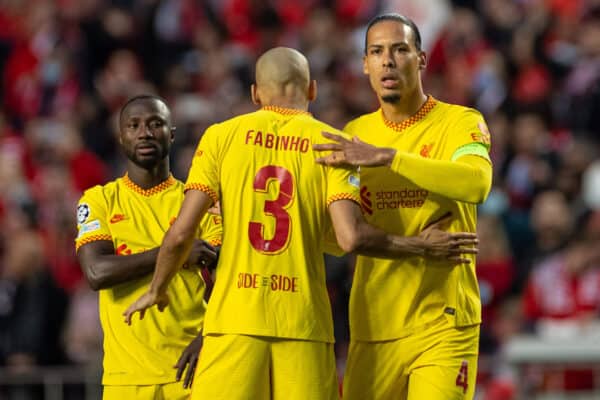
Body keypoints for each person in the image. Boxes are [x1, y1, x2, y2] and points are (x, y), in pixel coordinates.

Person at [122, 47, 478, 400]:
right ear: (312, 91)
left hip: (233, 323)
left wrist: (158, 287)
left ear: (255, 93)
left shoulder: (221, 137)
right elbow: (348, 238)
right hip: (304, 325)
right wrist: (420, 245)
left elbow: (182, 232)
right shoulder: (331, 145)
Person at [313, 13, 493, 400]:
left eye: (400, 49)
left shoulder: (460, 122)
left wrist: (390, 158)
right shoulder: (353, 137)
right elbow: (338, 237)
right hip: (374, 327)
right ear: (365, 64)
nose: (388, 60)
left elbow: (476, 183)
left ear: (421, 59)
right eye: (376, 52)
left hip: (444, 322)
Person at [75, 95, 222, 400]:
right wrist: (177, 251)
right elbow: (96, 272)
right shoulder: (99, 200)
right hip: (125, 380)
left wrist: (208, 335)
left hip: (193, 372)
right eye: (134, 125)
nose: (144, 132)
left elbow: (230, 283)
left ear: (171, 134)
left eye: (156, 124)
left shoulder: (200, 203)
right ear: (121, 137)